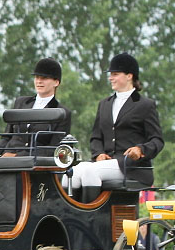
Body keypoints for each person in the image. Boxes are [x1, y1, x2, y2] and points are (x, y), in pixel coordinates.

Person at [67, 53, 164, 201]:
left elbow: (157, 140)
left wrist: (141, 150)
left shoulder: (145, 105)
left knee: (89, 172)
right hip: (105, 164)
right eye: (110, 74)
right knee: (74, 171)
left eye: (115, 74)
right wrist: (98, 153)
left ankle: (91, 219)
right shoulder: (104, 104)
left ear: (129, 76)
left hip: (131, 167)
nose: (110, 78)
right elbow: (96, 137)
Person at [2, 57, 71, 157]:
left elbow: (54, 149)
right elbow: (6, 137)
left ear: (56, 82)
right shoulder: (21, 102)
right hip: (6, 159)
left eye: (44, 78)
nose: (39, 81)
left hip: (34, 165)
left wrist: (18, 156)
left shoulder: (62, 113)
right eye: (37, 77)